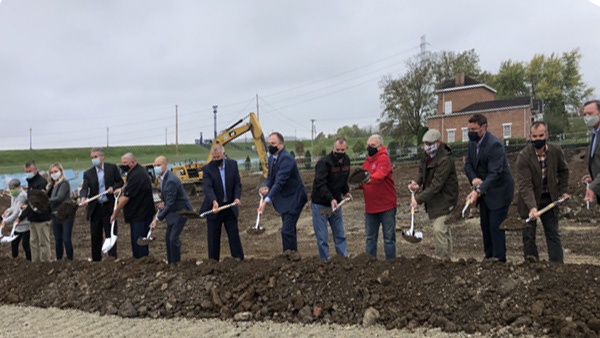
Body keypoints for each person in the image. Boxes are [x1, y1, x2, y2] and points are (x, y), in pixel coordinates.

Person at [516, 121, 568, 264]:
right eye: (534, 136)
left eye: (541, 135)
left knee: (552, 233)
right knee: (528, 235)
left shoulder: (555, 151)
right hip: (528, 200)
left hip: (549, 198)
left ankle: (557, 266)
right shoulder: (524, 156)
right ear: (530, 136)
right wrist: (533, 207)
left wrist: (563, 190)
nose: (538, 139)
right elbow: (525, 185)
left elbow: (564, 171)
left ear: (547, 135)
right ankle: (532, 265)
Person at [464, 113, 514, 262]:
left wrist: (478, 191)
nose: (471, 132)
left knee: (495, 226)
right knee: (485, 225)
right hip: (485, 192)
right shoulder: (472, 144)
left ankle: (499, 260)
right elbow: (468, 165)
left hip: (499, 191)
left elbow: (495, 173)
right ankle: (489, 257)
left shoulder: (495, 145)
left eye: (474, 129)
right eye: (469, 129)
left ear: (484, 127)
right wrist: (474, 179)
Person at [408, 129, 458, 260]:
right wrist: (417, 182)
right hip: (435, 200)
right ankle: (448, 260)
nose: (427, 146)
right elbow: (421, 171)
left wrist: (418, 200)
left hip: (446, 198)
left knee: (439, 228)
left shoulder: (445, 160)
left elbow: (436, 185)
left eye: (430, 143)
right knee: (443, 230)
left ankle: (442, 260)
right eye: (425, 143)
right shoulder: (426, 155)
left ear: (438, 142)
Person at [258, 132, 308, 252]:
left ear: (281, 145)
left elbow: (280, 182)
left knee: (286, 231)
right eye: (269, 143)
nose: (270, 146)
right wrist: (266, 187)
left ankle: (289, 256)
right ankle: (292, 254)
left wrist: (265, 201)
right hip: (285, 200)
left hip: (295, 199)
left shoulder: (286, 159)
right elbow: (270, 178)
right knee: (289, 229)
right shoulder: (271, 158)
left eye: (273, 143)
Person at [80, 147, 124, 261]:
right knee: (95, 236)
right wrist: (83, 197)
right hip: (95, 208)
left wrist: (113, 188)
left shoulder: (112, 168)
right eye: (92, 157)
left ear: (102, 157)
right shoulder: (88, 173)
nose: (94, 159)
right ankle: (96, 260)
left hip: (109, 207)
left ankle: (112, 259)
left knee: (110, 233)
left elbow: (120, 182)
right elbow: (85, 187)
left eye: (95, 157)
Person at [310, 137, 351, 260]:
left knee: (340, 234)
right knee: (322, 237)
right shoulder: (324, 163)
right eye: (337, 149)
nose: (340, 152)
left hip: (336, 205)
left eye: (343, 150)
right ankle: (324, 261)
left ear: (346, 149)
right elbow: (320, 183)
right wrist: (330, 198)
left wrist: (346, 192)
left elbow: (343, 179)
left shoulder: (346, 161)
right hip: (321, 205)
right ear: (333, 148)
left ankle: (342, 259)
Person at [200, 145, 244, 261]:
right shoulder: (207, 169)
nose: (216, 160)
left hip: (229, 207)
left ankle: (238, 260)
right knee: (213, 238)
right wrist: (214, 201)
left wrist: (236, 198)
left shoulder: (232, 165)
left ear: (224, 154)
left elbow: (237, 184)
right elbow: (207, 187)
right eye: (214, 158)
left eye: (218, 157)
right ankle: (213, 263)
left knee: (234, 236)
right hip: (215, 209)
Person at [110, 153, 155, 259]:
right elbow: (128, 186)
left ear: (133, 162)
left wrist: (114, 213)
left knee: (138, 241)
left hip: (140, 213)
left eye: (125, 163)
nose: (123, 165)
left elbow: (125, 198)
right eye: (122, 163)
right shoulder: (136, 172)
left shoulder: (136, 175)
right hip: (140, 212)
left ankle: (141, 260)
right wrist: (121, 189)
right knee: (138, 240)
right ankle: (141, 259)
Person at [150, 155, 193, 264]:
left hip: (182, 211)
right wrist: (163, 204)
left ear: (165, 165)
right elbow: (169, 200)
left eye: (158, 165)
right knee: (168, 238)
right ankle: (171, 263)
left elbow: (170, 204)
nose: (156, 167)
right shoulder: (163, 179)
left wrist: (157, 219)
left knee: (173, 238)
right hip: (174, 211)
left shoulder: (170, 180)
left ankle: (176, 263)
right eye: (155, 165)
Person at [360, 134, 397, 260]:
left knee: (388, 238)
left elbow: (380, 175)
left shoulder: (384, 159)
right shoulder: (366, 162)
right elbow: (361, 179)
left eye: (373, 146)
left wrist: (368, 179)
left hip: (386, 206)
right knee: (370, 239)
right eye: (368, 145)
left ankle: (390, 263)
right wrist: (355, 184)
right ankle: (370, 263)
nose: (370, 148)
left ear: (380, 147)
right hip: (370, 208)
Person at [15, 160, 52, 262]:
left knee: (43, 242)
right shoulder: (31, 182)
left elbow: (37, 202)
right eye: (26, 171)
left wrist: (21, 217)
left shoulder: (41, 183)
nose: (27, 173)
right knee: (33, 242)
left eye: (29, 171)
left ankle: (45, 263)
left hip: (42, 218)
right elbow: (30, 200)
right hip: (33, 218)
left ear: (35, 170)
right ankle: (35, 263)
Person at [46, 162, 74, 260]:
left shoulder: (64, 183)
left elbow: (59, 197)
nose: (53, 174)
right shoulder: (51, 185)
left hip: (65, 214)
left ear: (61, 172)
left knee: (66, 239)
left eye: (56, 171)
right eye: (52, 172)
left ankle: (70, 260)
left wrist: (46, 200)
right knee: (58, 240)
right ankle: (59, 260)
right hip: (55, 215)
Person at [1, 178, 31, 260]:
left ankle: (30, 261)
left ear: (19, 187)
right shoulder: (14, 195)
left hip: (25, 225)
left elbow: (17, 213)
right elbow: (13, 207)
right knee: (14, 243)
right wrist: (7, 211)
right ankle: (15, 259)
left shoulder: (22, 196)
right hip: (17, 225)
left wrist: (5, 221)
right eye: (10, 189)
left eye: (13, 189)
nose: (11, 190)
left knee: (26, 244)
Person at [582, 100, 600, 206]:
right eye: (585, 114)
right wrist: (593, 176)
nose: (587, 117)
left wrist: (593, 187)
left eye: (590, 114)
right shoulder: (595, 134)